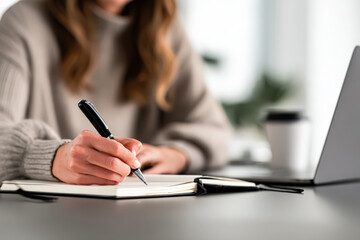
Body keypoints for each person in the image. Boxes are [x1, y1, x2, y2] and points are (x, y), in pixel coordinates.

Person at [0, 0, 230, 185]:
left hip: (143, 216)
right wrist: (51, 158)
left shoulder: (165, 29)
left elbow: (214, 131)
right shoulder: (24, 21)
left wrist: (174, 154)